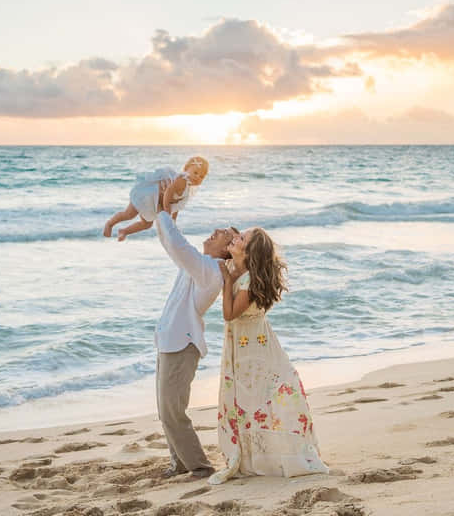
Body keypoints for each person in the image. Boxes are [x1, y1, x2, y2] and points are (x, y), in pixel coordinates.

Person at [209, 227, 329, 485]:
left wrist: (228, 281)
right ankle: (256, 456)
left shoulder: (248, 280)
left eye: (242, 238)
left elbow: (229, 314)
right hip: (246, 346)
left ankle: (275, 454)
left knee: (261, 396)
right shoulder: (240, 271)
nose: (236, 238)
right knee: (250, 398)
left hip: (253, 348)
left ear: (250, 251)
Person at [153, 204, 238, 479]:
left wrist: (164, 211)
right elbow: (171, 245)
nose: (216, 231)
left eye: (224, 233)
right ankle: (179, 463)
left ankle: (200, 468)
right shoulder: (201, 266)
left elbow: (179, 247)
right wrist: (166, 216)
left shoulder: (212, 268)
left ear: (227, 250)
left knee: (172, 412)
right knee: (166, 410)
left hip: (181, 346)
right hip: (170, 343)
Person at [104, 156, 208, 241]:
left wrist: (173, 222)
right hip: (147, 194)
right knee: (129, 214)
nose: (197, 177)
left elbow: (176, 206)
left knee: (147, 224)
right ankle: (110, 224)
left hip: (154, 201)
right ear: (186, 169)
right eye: (195, 173)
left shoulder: (187, 189)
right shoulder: (182, 180)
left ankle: (124, 231)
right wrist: (167, 213)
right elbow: (168, 192)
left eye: (201, 176)